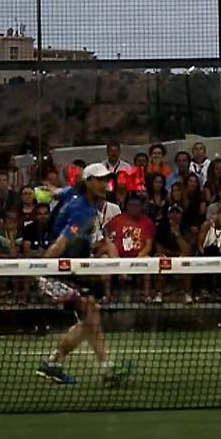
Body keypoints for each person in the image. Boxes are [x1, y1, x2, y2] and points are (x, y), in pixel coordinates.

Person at [36, 164, 125, 385]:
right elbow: (62, 242)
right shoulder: (82, 211)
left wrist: (45, 187)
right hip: (58, 271)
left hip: (72, 269)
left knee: (90, 314)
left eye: (107, 180)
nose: (106, 185)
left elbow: (56, 191)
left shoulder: (72, 192)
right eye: (101, 180)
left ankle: (61, 363)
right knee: (90, 313)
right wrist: (41, 269)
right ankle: (103, 368)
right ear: (88, 182)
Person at [105, 193, 156, 303]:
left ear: (141, 207)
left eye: (137, 205)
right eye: (131, 205)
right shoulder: (116, 220)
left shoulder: (147, 223)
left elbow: (148, 245)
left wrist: (137, 259)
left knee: (147, 260)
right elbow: (107, 234)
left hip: (138, 256)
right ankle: (107, 295)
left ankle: (147, 295)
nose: (134, 208)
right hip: (118, 257)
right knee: (106, 261)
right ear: (126, 206)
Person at [154, 203, 194, 304]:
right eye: (172, 213)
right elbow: (159, 249)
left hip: (180, 257)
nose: (174, 215)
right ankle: (159, 294)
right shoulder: (161, 227)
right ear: (168, 215)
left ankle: (187, 293)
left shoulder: (185, 228)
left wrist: (177, 234)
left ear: (181, 215)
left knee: (187, 260)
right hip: (166, 257)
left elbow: (187, 250)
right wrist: (169, 254)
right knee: (158, 259)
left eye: (177, 213)